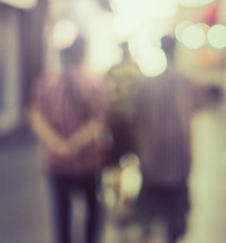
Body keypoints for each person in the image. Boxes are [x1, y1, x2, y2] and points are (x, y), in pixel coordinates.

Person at [29, 36, 107, 243]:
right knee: (93, 209)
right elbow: (98, 120)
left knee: (62, 212)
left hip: (56, 162)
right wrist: (75, 143)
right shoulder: (95, 84)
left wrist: (57, 144)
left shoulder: (46, 83)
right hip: (89, 161)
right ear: (84, 55)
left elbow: (35, 116)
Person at [131, 35, 205, 243]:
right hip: (180, 156)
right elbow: (199, 108)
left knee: (147, 214)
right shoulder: (187, 81)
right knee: (176, 218)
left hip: (152, 156)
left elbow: (136, 118)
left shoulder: (146, 84)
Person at [105, 42, 140, 219]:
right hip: (134, 123)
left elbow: (106, 97)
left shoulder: (112, 71)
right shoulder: (136, 70)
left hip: (116, 122)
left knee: (116, 162)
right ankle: (129, 200)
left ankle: (120, 198)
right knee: (134, 160)